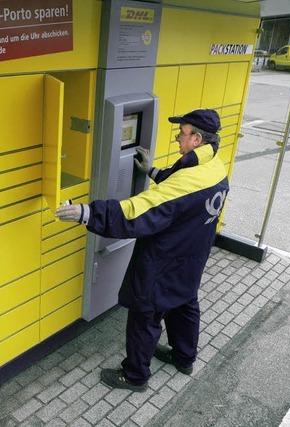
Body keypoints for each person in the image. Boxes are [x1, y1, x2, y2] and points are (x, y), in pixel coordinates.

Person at [55, 109, 229, 392]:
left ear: (197, 139)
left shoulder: (188, 180)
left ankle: (134, 376)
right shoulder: (213, 167)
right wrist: (151, 171)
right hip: (192, 257)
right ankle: (184, 358)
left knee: (145, 313)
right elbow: (179, 188)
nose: (177, 139)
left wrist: (88, 213)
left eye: (182, 134)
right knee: (184, 304)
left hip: (166, 259)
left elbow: (136, 212)